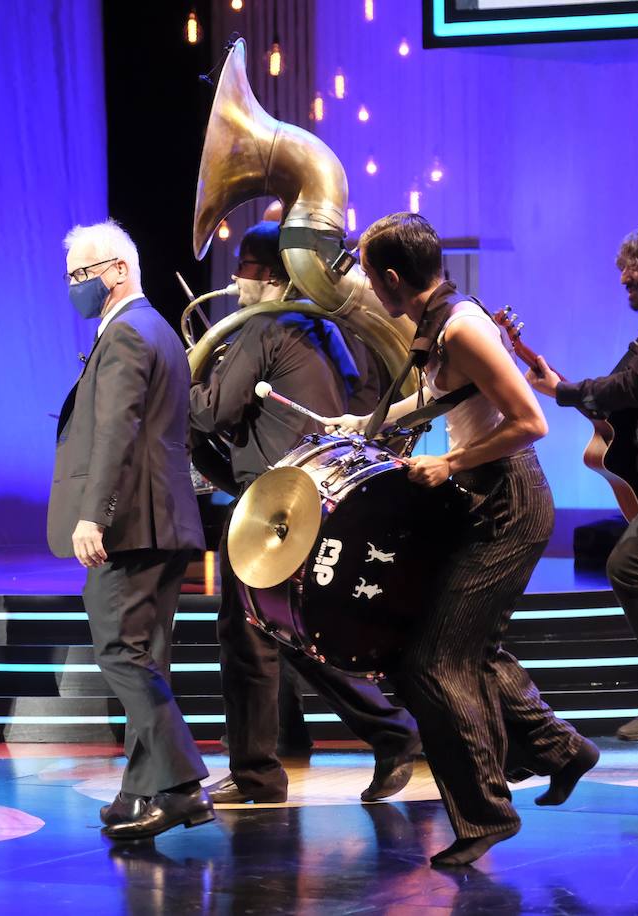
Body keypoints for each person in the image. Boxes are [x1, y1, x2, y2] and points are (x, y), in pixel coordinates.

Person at [326, 213, 598, 867]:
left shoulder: (463, 328)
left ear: (391, 278)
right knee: (463, 647)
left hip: (510, 503)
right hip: (484, 500)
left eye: (367, 274)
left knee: (430, 660)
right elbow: (440, 404)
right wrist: (359, 422)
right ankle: (562, 751)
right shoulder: (438, 322)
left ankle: (485, 815)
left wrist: (447, 464)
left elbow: (531, 422)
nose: (365, 285)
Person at [188, 222, 421, 806]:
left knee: (246, 639)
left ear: (265, 275)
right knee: (287, 634)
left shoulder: (267, 325)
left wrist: (171, 379)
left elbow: (213, 411)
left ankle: (258, 774)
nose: (235, 281)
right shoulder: (324, 329)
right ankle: (389, 732)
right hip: (304, 498)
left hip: (273, 511)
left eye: (241, 268)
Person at [49, 220, 211, 841]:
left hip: (133, 524)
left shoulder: (127, 336)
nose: (74, 288)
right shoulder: (156, 330)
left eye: (80, 276)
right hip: (160, 520)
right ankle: (140, 790)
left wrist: (94, 514)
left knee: (121, 652)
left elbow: (116, 431)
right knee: (145, 658)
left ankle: (182, 788)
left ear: (118, 270)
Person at [525, 225, 638, 756]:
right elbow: (623, 392)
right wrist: (565, 387)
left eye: (633, 266)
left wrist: (565, 392)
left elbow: (637, 386)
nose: (623, 278)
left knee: (631, 566)